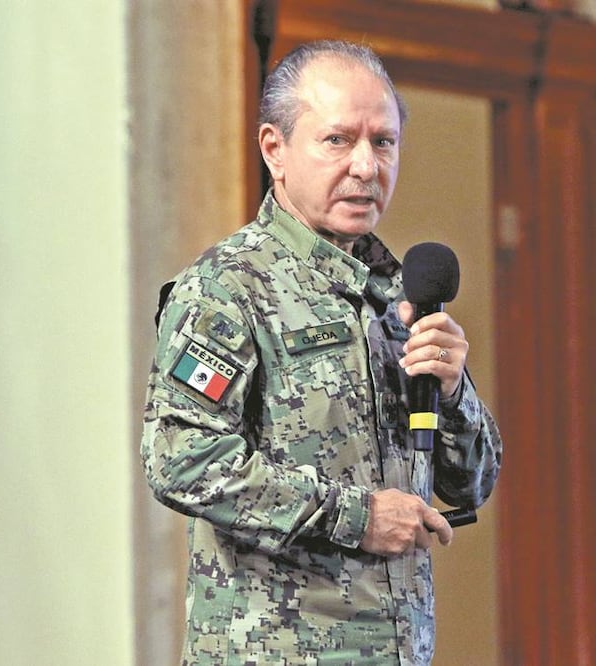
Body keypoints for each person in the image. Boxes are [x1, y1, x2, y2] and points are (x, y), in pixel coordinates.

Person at [141, 39, 503, 666]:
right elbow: (180, 457)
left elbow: (470, 483)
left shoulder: (400, 296)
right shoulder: (227, 289)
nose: (367, 165)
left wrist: (454, 393)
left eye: (383, 142)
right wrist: (356, 517)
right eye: (339, 140)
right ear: (274, 149)